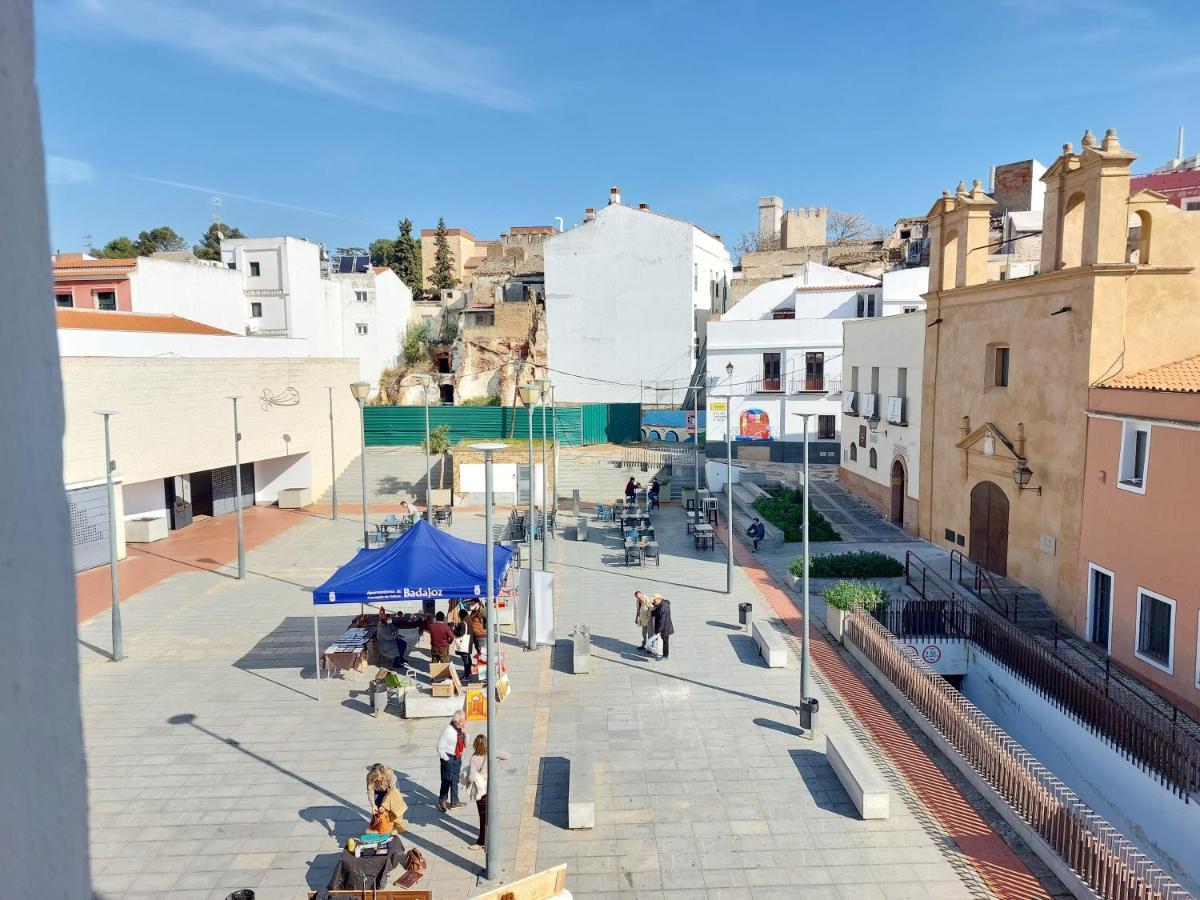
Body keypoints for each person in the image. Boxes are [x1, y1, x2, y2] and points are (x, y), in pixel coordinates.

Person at [460, 734, 488, 850]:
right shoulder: (491, 753)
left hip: (481, 790)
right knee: (489, 814)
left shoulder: (474, 758)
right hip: (490, 787)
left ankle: (481, 841)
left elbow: (471, 778)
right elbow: (507, 756)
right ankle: (489, 836)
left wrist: (465, 780)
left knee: (483, 815)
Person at [436, 711, 467, 812]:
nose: (465, 722)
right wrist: (446, 758)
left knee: (455, 780)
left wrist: (465, 733)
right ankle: (442, 800)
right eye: (463, 720)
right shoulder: (448, 731)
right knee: (447, 780)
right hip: (449, 757)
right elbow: (440, 747)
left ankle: (455, 801)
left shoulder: (460, 730)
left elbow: (466, 743)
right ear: (457, 721)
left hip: (457, 757)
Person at [366, 763, 408, 832]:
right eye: (376, 779)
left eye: (379, 778)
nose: (378, 780)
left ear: (383, 774)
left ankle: (395, 826)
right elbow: (370, 791)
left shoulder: (391, 776)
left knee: (393, 807)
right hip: (378, 791)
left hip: (391, 790)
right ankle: (382, 825)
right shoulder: (370, 778)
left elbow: (392, 793)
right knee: (379, 809)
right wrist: (373, 805)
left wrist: (384, 805)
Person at [447, 601, 472, 682]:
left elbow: (460, 633)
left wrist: (454, 630)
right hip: (469, 644)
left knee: (466, 661)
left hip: (464, 645)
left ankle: (467, 676)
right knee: (468, 659)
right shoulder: (469, 622)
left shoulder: (463, 624)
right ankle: (468, 672)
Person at [651, 595, 674, 661]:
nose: (654, 601)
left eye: (655, 600)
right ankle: (661, 654)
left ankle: (665, 656)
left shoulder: (663, 607)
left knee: (665, 642)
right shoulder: (661, 604)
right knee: (662, 641)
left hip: (665, 628)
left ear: (659, 599)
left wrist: (659, 630)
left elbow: (662, 620)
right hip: (664, 627)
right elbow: (655, 612)